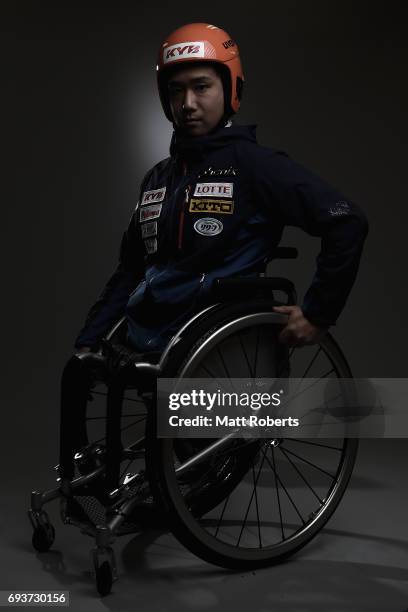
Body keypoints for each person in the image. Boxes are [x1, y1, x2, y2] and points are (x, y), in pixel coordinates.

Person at [58, 23, 368, 506]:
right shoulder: (157, 180)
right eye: (176, 90)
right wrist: (89, 338)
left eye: (202, 87)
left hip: (213, 342)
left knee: (148, 383)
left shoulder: (256, 166)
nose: (188, 103)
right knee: (77, 371)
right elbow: (129, 270)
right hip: (152, 330)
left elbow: (346, 222)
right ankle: (86, 483)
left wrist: (319, 313)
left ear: (231, 90)